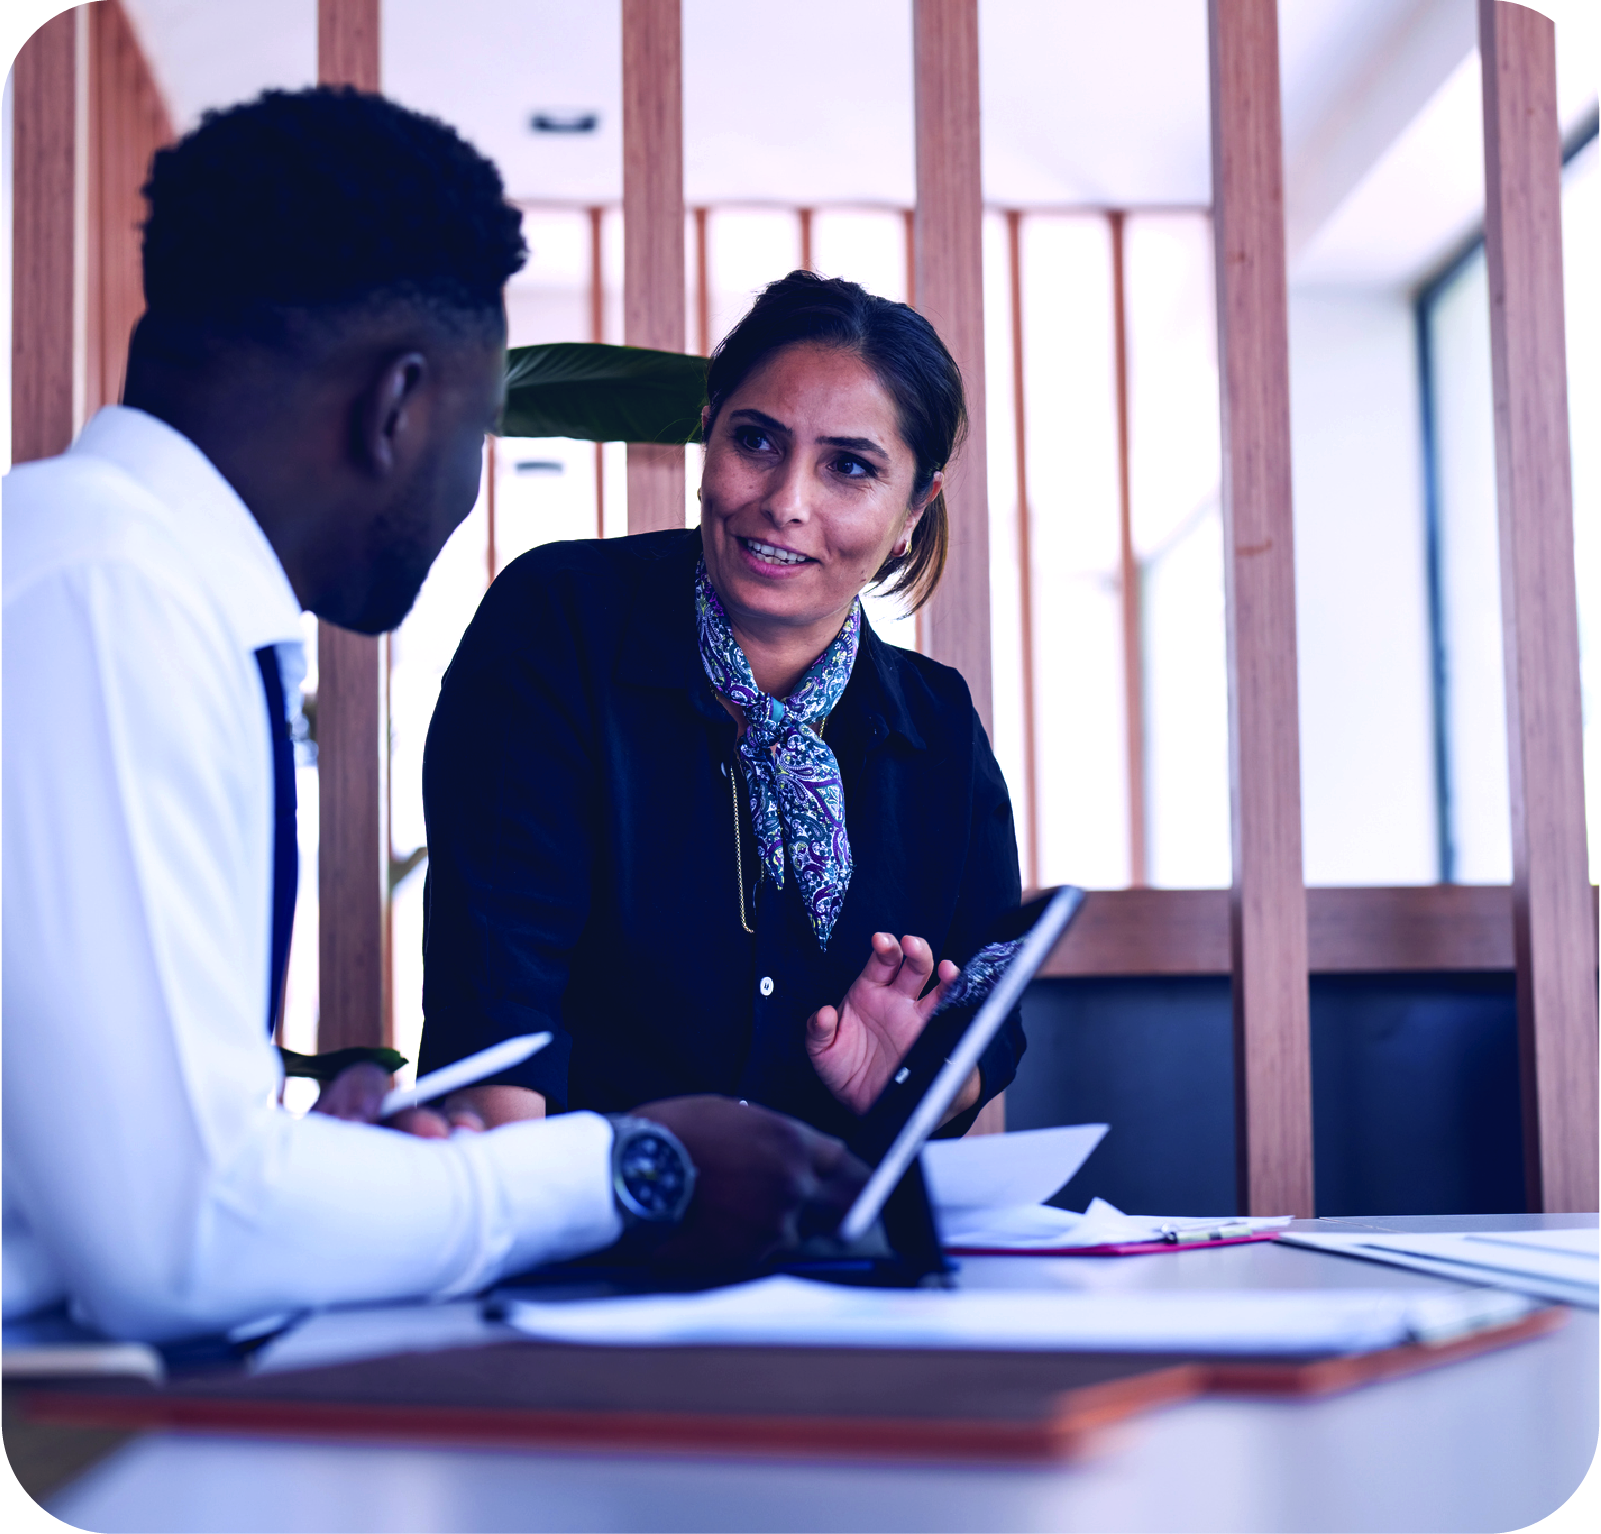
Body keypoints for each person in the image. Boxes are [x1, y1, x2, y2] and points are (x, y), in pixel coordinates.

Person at [1, 90, 862, 1344]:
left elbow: (128, 1176)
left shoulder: (105, 573)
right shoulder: (102, 595)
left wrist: (348, 1175)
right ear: (398, 405)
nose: (464, 483)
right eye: (477, 431)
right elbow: (177, 1239)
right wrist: (626, 1169)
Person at [417, 272, 1025, 1143]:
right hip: (591, 1234)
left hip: (833, 1242)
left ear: (912, 507)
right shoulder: (558, 623)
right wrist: (535, 1235)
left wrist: (918, 1078)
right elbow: (496, 1001)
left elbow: (983, 1025)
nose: (785, 502)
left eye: (849, 467)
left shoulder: (938, 729)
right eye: (757, 441)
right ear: (708, 434)